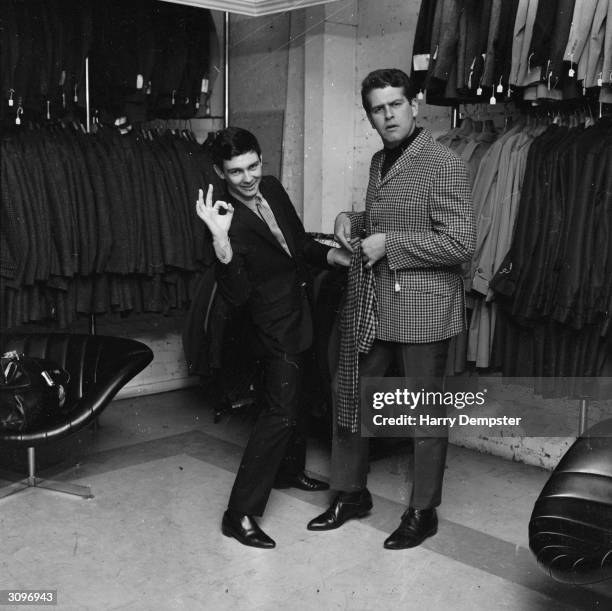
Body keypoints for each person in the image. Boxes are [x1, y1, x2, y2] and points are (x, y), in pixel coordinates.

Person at [307, 68, 476, 549]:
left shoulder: (443, 162)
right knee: (350, 394)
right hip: (375, 302)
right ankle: (351, 493)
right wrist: (352, 218)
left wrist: (390, 244)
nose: (388, 115)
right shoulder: (380, 162)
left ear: (414, 105)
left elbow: (461, 243)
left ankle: (423, 511)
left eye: (395, 104)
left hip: (423, 309)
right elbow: (387, 218)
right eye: (378, 109)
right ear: (370, 117)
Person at [195, 127, 351, 549]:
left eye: (253, 166)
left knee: (299, 396)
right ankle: (238, 513)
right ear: (219, 171)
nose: (247, 178)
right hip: (266, 325)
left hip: (300, 309)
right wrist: (221, 241)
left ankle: (288, 470)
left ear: (261, 160)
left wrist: (332, 255)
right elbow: (237, 294)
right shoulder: (219, 216)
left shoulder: (273, 188)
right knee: (279, 412)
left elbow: (297, 244)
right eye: (235, 171)